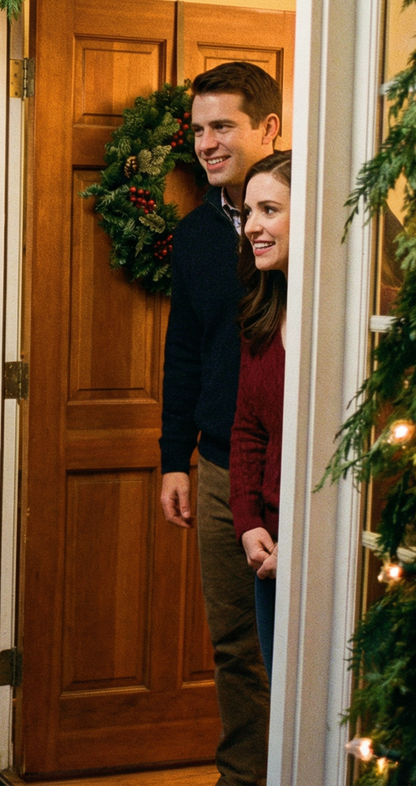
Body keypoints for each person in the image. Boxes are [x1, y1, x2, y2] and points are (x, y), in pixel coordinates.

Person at [158, 61, 281, 786]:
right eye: (200, 129)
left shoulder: (305, 219)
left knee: (289, 637)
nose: (207, 143)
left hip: (288, 467)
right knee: (234, 641)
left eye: (222, 126)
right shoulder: (199, 232)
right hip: (214, 466)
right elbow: (184, 351)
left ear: (266, 127)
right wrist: (175, 458)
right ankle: (242, 778)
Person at [231, 151, 293, 671]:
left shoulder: (367, 317)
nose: (253, 226)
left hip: (331, 555)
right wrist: (250, 523)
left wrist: (299, 543)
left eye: (269, 210)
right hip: (269, 555)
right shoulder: (265, 312)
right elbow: (250, 433)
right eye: (249, 213)